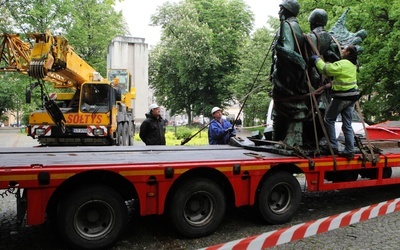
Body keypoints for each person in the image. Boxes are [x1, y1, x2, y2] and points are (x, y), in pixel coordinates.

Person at [270, 0, 308, 147]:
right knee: (285, 106)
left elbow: (288, 49)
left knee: (284, 104)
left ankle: (288, 138)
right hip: (293, 75)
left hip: (285, 75)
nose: (279, 12)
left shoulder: (286, 26)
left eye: (281, 9)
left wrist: (277, 48)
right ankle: (282, 136)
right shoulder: (297, 27)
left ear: (286, 10)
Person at [311, 45, 360, 159]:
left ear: (348, 52)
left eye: (344, 49)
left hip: (342, 97)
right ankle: (350, 150)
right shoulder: (352, 64)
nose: (341, 50)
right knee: (347, 124)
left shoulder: (343, 64)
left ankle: (332, 146)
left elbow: (326, 70)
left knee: (328, 119)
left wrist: (317, 60)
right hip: (352, 97)